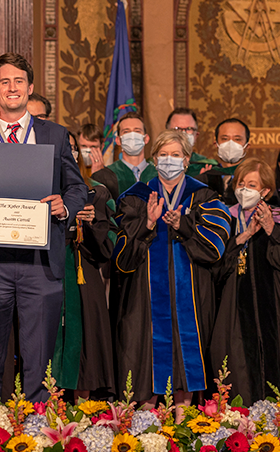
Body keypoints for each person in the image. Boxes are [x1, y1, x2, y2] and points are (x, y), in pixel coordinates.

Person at [0, 52, 87, 405]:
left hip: (40, 265)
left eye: (18, 81)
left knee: (39, 360)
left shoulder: (55, 136)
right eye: (4, 82)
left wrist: (66, 206)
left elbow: (77, 188)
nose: (12, 88)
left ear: (29, 88)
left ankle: (37, 429)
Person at [112, 130, 230, 421]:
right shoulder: (135, 198)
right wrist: (148, 223)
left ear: (187, 160)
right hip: (144, 298)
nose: (169, 160)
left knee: (185, 357)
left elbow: (214, 249)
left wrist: (185, 226)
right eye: (164, 154)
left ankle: (185, 425)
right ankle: (145, 429)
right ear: (154, 159)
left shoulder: (204, 197)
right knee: (143, 359)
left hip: (190, 295)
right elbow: (121, 259)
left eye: (176, 155)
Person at [210, 158, 280, 406]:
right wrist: (245, 235)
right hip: (232, 311)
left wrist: (271, 230)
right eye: (241, 183)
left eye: (252, 184)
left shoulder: (278, 219)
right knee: (233, 365)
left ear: (266, 191)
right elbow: (215, 269)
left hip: (272, 308)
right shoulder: (225, 219)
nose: (244, 189)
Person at [53, 132, 116, 398]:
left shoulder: (97, 192)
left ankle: (84, 407)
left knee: (85, 339)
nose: (69, 152)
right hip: (46, 272)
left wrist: (90, 224)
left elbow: (108, 246)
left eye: (72, 148)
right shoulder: (37, 192)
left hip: (82, 273)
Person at [92, 112, 157, 202]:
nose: (132, 136)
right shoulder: (104, 176)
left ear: (146, 139)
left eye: (137, 131)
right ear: (118, 140)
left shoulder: (158, 174)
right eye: (126, 131)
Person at [197, 118, 251, 206]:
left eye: (237, 139)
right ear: (216, 144)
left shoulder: (258, 178)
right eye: (225, 138)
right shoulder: (205, 178)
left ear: (247, 146)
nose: (231, 144)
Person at [165, 107, 217, 177]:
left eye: (189, 129)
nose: (183, 133)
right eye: (177, 129)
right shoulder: (154, 166)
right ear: (166, 134)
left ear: (196, 135)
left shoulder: (206, 166)